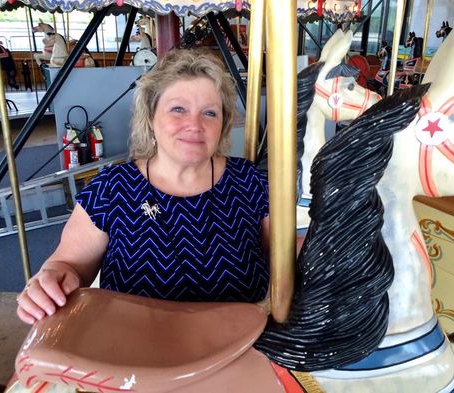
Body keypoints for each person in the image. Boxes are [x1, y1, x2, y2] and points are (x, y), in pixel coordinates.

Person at [16, 49, 270, 324]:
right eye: (178, 109)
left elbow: (284, 253)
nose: (194, 125)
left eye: (210, 113)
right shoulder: (112, 188)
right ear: (150, 118)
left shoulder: (249, 181)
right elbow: (70, 263)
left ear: (222, 125)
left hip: (238, 347)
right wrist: (52, 279)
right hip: (135, 352)